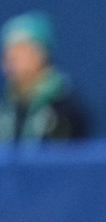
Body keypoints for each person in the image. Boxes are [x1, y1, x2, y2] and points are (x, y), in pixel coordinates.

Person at [0, 10, 88, 144]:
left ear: (42, 53)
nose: (11, 59)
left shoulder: (66, 109)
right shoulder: (6, 109)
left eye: (21, 50)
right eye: (8, 52)